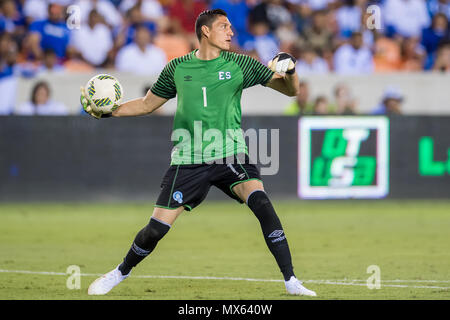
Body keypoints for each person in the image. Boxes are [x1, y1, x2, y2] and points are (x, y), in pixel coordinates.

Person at [81, 9, 317, 297]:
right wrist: (109, 113)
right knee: (155, 230)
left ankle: (291, 280)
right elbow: (146, 104)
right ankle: (120, 272)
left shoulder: (240, 63)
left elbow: (290, 91)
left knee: (262, 203)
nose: (231, 32)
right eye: (224, 27)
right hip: (188, 159)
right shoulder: (177, 68)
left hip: (230, 153)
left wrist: (291, 72)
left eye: (231, 26)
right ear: (206, 31)